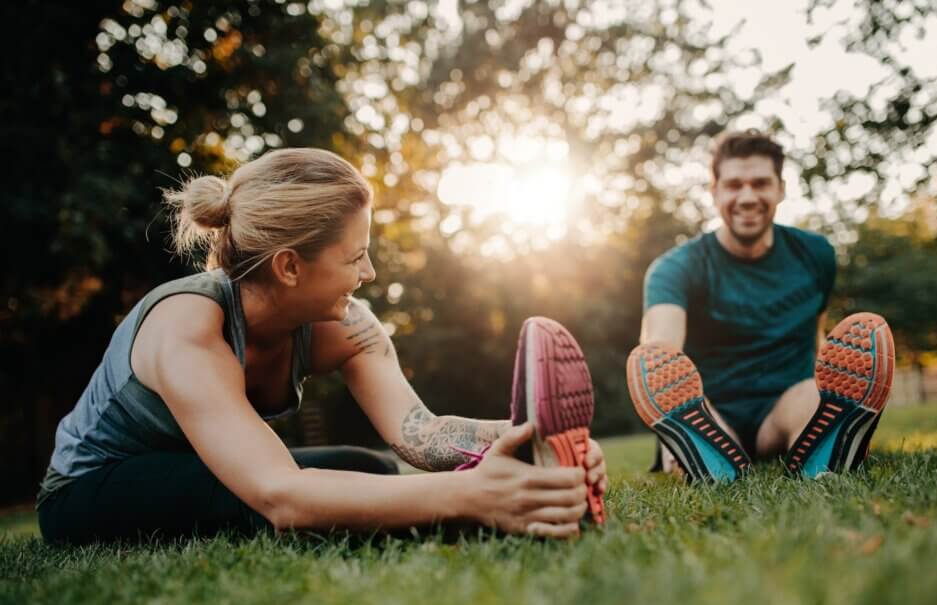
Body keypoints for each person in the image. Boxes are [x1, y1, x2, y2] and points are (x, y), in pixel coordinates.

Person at [37, 148, 607, 544]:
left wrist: (532, 441)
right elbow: (281, 493)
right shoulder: (188, 326)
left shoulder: (346, 326)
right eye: (354, 256)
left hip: (201, 470)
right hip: (96, 486)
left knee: (372, 471)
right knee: (272, 505)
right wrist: (472, 498)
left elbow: (422, 435)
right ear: (289, 266)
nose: (371, 271)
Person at [627, 130, 894, 481]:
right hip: (712, 409)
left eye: (760, 183)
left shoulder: (815, 254)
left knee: (813, 399)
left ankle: (830, 445)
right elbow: (660, 354)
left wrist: (830, 386)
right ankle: (691, 446)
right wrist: (664, 423)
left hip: (784, 407)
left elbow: (816, 333)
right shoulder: (676, 267)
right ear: (715, 192)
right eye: (734, 184)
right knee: (697, 414)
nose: (748, 196)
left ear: (781, 188)